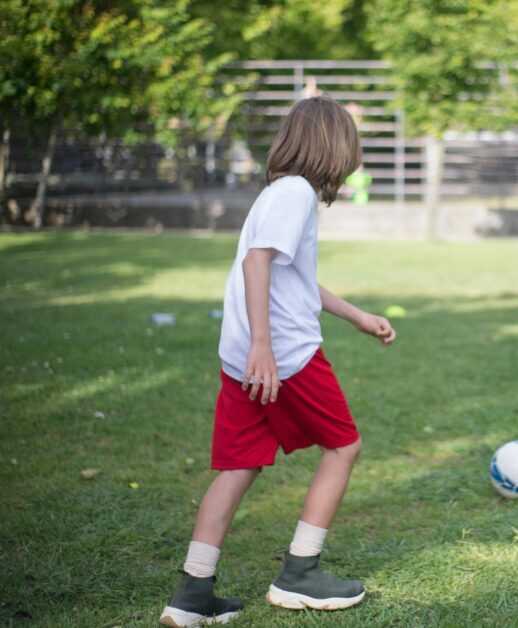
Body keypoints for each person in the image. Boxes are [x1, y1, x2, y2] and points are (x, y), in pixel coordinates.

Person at [160, 96, 396, 627]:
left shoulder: (280, 192)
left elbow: (292, 276)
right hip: (283, 354)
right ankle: (299, 573)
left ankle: (191, 594)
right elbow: (256, 262)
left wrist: (355, 315)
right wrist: (265, 346)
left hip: (242, 356)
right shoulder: (295, 194)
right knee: (343, 447)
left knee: (238, 465)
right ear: (334, 147)